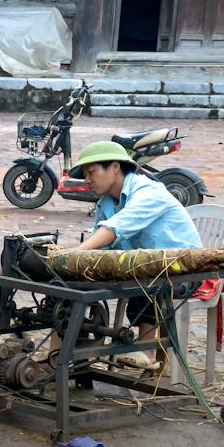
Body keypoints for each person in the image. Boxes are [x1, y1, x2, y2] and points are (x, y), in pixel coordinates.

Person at [68, 140, 205, 370]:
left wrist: (76, 253)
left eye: (91, 172)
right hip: (142, 266)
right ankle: (68, 356)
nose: (88, 180)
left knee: (147, 272)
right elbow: (100, 245)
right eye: (85, 175)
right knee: (75, 282)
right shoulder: (105, 203)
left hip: (184, 270)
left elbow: (117, 227)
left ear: (114, 167)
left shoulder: (148, 191)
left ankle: (147, 352)